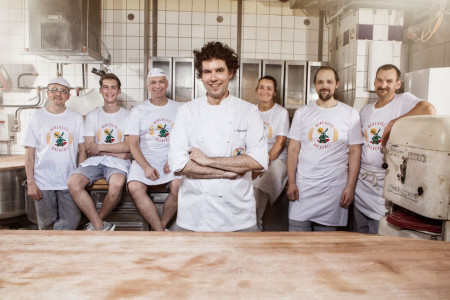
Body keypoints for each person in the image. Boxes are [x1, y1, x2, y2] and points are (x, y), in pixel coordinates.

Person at [168, 41, 268, 232]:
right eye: (207, 72)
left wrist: (206, 160)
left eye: (219, 70)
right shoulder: (187, 111)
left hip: (238, 214)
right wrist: (227, 171)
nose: (213, 78)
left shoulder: (248, 112)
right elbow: (178, 164)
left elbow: (258, 160)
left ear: (231, 73)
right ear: (201, 76)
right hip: (195, 215)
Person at [354, 64, 436, 234]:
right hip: (362, 185)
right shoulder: (365, 111)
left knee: (377, 238)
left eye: (389, 81)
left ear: (397, 84)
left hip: (384, 186)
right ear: (374, 82)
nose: (383, 85)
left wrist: (393, 123)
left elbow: (429, 109)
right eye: (379, 80)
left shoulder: (403, 101)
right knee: (357, 239)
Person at [286, 66, 363, 232]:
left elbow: (355, 153)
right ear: (315, 85)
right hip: (303, 188)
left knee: (326, 248)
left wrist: (350, 187)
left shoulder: (350, 114)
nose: (324, 86)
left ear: (337, 84)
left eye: (329, 81)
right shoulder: (302, 113)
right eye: (320, 82)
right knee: (297, 245)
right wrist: (291, 182)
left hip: (333, 190)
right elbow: (293, 150)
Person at [67, 73, 130, 231]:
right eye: (106, 87)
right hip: (95, 161)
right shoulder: (93, 115)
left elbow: (128, 146)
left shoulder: (128, 116)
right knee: (73, 183)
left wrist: (100, 147)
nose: (110, 91)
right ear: (100, 90)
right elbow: (89, 146)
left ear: (119, 91)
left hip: (118, 163)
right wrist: (116, 151)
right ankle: (100, 226)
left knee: (116, 186)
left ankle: (96, 223)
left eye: (113, 87)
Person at [22, 77, 84, 230]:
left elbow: (82, 149)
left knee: (73, 219)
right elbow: (30, 153)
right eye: (54, 90)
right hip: (43, 181)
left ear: (68, 96)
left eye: (63, 91)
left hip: (68, 180)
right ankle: (50, 248)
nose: (58, 94)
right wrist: (31, 182)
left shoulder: (76, 118)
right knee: (46, 224)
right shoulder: (36, 117)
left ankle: (57, 241)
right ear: (47, 93)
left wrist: (79, 174)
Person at [125, 68, 181, 231]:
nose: (158, 86)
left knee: (178, 186)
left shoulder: (179, 108)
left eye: (161, 81)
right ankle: (160, 230)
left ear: (167, 84)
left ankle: (160, 228)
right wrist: (146, 166)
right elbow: (133, 143)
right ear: (148, 85)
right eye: (153, 82)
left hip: (170, 159)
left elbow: (185, 139)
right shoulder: (138, 110)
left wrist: (173, 159)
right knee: (135, 187)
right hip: (145, 159)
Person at [252, 76, 289, 231]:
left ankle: (256, 228)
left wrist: (260, 166)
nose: (264, 91)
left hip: (276, 160)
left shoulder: (281, 113)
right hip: (254, 160)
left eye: (269, 88)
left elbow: (279, 144)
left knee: (257, 187)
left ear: (275, 92)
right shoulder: (251, 111)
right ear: (256, 90)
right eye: (261, 87)